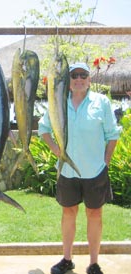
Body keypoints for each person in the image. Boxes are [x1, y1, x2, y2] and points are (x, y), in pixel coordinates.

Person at [38, 62, 121, 274]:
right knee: (68, 213)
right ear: (68, 80)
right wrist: (57, 151)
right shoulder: (58, 102)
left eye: (83, 75)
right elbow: (44, 129)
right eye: (74, 75)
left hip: (95, 171)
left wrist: (106, 161)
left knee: (95, 215)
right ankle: (67, 259)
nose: (78, 79)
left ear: (89, 79)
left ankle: (93, 263)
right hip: (67, 171)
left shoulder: (101, 102)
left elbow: (112, 134)